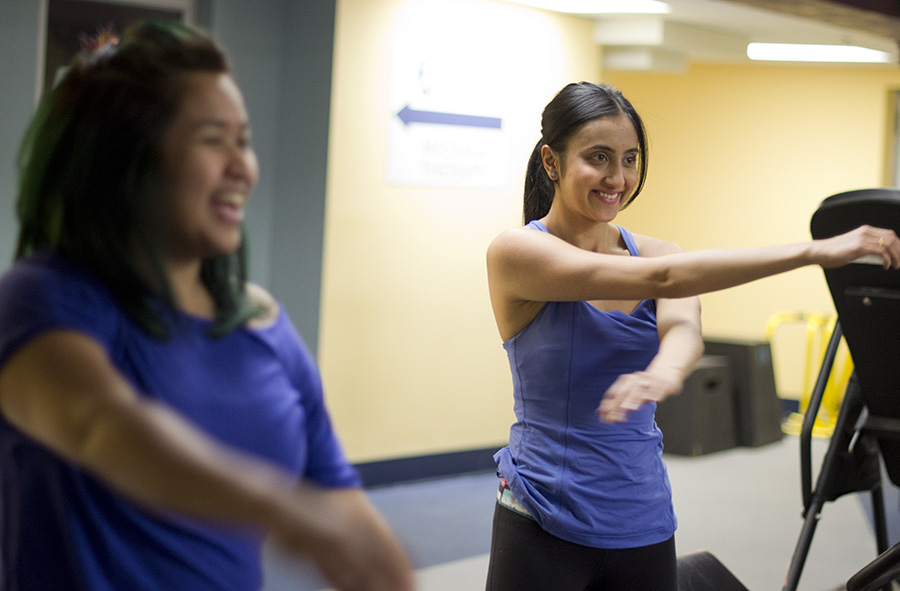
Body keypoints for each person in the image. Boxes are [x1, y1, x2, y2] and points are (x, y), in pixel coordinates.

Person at [0, 20, 415, 591]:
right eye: (212, 139)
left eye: (242, 140)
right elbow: (101, 426)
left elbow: (337, 500)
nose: (241, 167)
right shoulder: (41, 300)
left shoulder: (262, 324)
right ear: (128, 161)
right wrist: (275, 504)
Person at [484, 81, 900, 591]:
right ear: (551, 161)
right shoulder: (518, 253)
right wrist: (813, 251)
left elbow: (684, 332)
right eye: (599, 158)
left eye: (630, 159)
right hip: (541, 511)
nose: (618, 177)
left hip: (640, 513)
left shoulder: (660, 252)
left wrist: (662, 372)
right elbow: (663, 281)